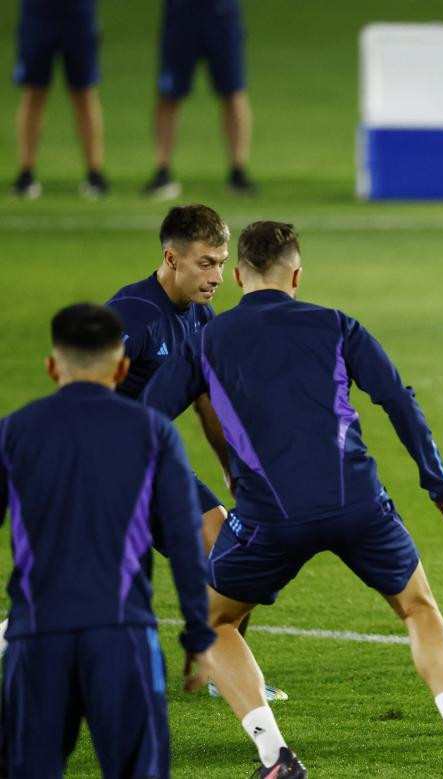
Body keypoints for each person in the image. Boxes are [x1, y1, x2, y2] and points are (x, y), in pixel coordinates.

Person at [142, 221, 443, 779]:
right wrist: (440, 482)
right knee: (417, 608)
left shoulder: (207, 340)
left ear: (238, 275)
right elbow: (397, 400)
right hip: (359, 503)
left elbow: (145, 419)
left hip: (270, 516)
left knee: (213, 622)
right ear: (297, 274)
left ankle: (276, 758)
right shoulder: (337, 324)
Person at [0, 303, 214, 778]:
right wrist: (199, 634)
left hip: (36, 638)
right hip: (121, 636)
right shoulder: (153, 432)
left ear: (53, 366)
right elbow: (183, 538)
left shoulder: (14, 432)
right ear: (121, 367)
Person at [100, 203, 286, 703]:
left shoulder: (202, 318)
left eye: (223, 263)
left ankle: (225, 674)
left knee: (234, 558)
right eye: (206, 263)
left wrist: (234, 471)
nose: (218, 276)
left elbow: (208, 401)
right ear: (171, 258)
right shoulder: (132, 314)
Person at [143, 0, 256, 199]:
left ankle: (238, 171)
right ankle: (162, 170)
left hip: (222, 11)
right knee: (169, 93)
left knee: (233, 90)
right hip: (181, 12)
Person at [10, 0, 108, 199]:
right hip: (38, 12)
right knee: (34, 91)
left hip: (78, 12)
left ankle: (95, 173)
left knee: (84, 91)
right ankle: (26, 172)